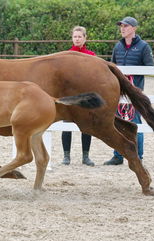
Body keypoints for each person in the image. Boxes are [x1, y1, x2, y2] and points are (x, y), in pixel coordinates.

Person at [104, 16, 154, 165]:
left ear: (134, 28)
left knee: (135, 121)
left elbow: (150, 68)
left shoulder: (144, 47)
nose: (123, 28)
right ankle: (118, 155)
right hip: (118, 90)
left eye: (126, 26)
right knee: (118, 121)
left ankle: (138, 155)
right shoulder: (118, 47)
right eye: (121, 26)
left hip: (134, 90)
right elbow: (113, 66)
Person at [61, 26, 96, 167]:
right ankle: (66, 156)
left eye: (79, 37)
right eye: (75, 36)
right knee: (66, 126)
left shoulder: (91, 56)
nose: (77, 39)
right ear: (72, 38)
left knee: (86, 126)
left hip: (85, 95)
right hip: (69, 96)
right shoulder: (65, 56)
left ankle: (85, 156)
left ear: (85, 38)